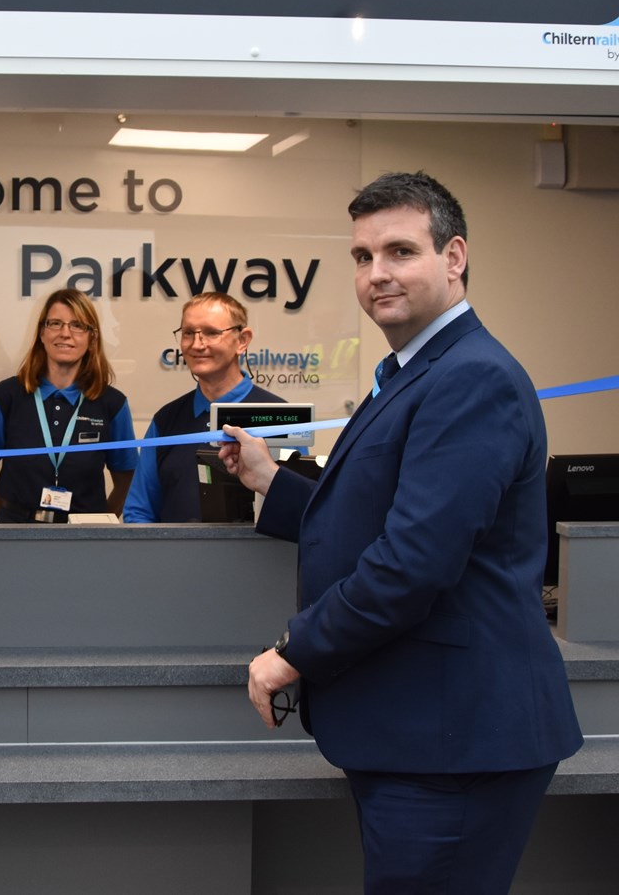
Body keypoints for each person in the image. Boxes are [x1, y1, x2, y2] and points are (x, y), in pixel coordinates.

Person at [218, 173, 581, 893]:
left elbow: (413, 561)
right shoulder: (413, 372)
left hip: (453, 741)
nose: (376, 274)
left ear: (454, 257)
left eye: (399, 251)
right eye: (361, 257)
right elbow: (378, 512)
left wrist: (294, 653)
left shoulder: (472, 378)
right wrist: (270, 484)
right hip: (427, 735)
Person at [0, 288, 137, 522]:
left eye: (77, 325)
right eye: (55, 324)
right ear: (41, 332)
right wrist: (2, 520)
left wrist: (101, 522)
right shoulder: (6, 396)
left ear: (92, 338)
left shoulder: (112, 403)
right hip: (17, 537)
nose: (65, 333)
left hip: (84, 541)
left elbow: (127, 477)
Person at [122, 291, 287, 522]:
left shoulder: (282, 417)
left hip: (253, 559)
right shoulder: (166, 420)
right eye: (188, 333)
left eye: (211, 333)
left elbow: (297, 508)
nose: (197, 344)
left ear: (242, 340)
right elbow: (139, 512)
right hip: (174, 558)